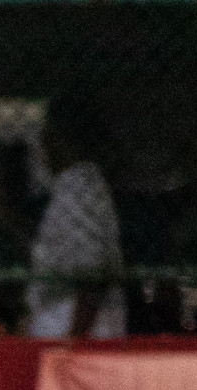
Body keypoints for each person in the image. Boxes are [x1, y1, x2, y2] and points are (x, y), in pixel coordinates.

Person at [25, 92, 126, 341]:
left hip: (77, 334)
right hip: (66, 329)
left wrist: (74, 341)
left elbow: (92, 277)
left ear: (58, 138)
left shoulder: (80, 187)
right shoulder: (70, 187)